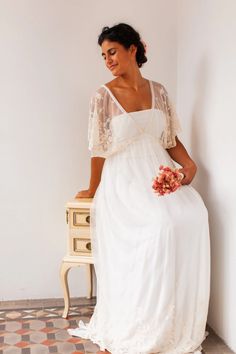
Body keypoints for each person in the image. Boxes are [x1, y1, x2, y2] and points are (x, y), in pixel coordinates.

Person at [67, 23, 211, 354]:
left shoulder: (159, 91)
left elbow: (169, 138)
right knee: (161, 226)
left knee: (195, 214)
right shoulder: (103, 96)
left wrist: (188, 165)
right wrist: (92, 190)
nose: (108, 60)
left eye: (113, 51)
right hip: (124, 182)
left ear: (134, 49)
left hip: (155, 172)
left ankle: (174, 320)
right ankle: (141, 320)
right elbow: (98, 150)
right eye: (103, 55)